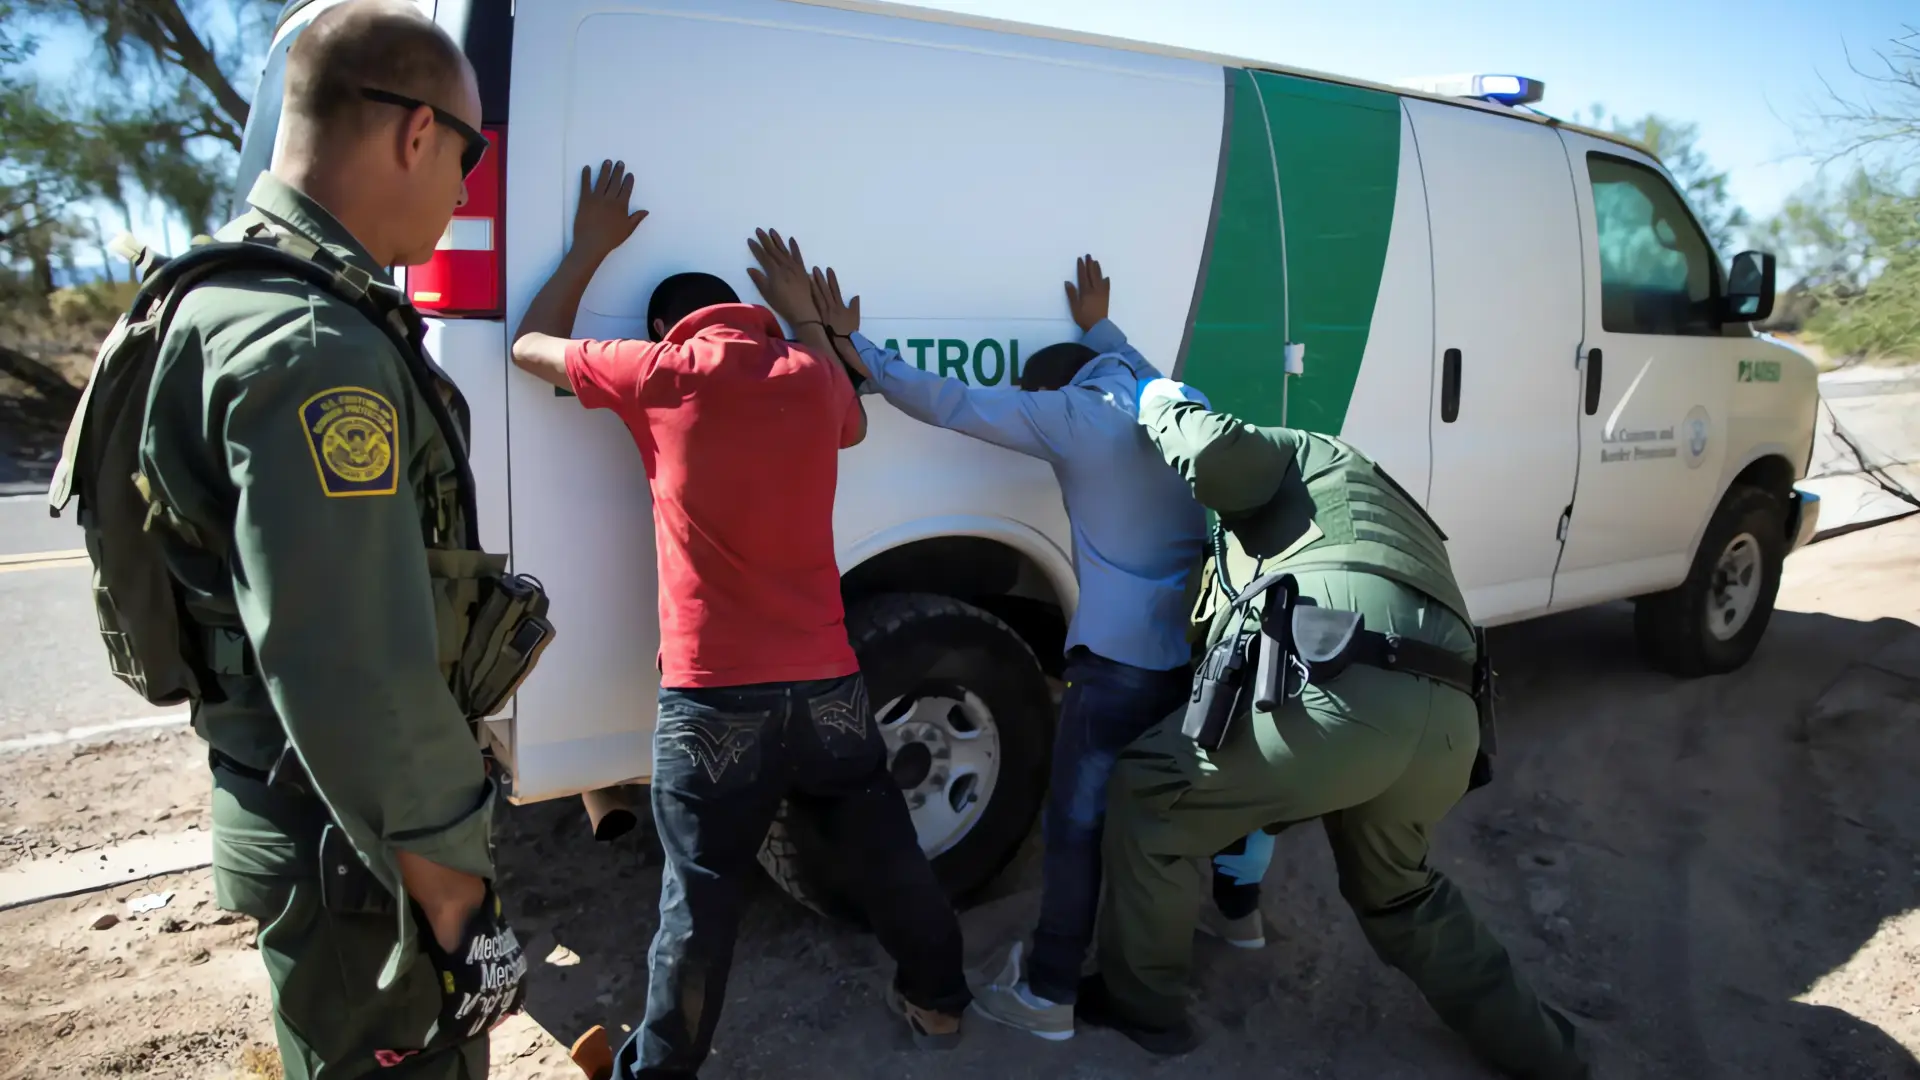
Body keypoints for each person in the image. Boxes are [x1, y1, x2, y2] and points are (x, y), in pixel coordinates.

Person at [508, 162, 971, 1077]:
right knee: (885, 849)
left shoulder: (657, 373)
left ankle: (660, 1072)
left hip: (714, 701)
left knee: (701, 899)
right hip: (830, 685)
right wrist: (805, 313)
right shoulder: (807, 376)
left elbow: (530, 344)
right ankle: (940, 1002)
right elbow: (855, 425)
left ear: (663, 329)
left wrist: (591, 246)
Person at [137, 3, 529, 1076]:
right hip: (360, 855)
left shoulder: (227, 298)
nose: (464, 186)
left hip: (312, 819)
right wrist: (456, 891)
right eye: (470, 151)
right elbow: (355, 660)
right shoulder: (315, 346)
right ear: (416, 133)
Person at [1072, 376, 1590, 1078]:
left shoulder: (1304, 453)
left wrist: (1159, 397)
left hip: (1345, 690)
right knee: (1402, 894)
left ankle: (1142, 1005)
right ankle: (1547, 1052)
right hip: (1449, 718)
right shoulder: (1379, 508)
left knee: (1152, 795)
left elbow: (1218, 455)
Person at [807, 257, 1270, 1039]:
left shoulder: (1073, 417)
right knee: (1205, 792)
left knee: (1078, 825)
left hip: (1121, 661)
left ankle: (1052, 989)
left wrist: (859, 350)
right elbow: (1132, 362)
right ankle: (1239, 917)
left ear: (1055, 390)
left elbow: (953, 402)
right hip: (1196, 650)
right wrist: (1101, 326)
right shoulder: (1172, 400)